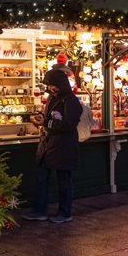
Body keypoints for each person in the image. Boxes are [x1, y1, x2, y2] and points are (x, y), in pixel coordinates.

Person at [23, 69, 83, 222]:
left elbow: (68, 124)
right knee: (41, 177)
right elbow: (50, 118)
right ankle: (39, 210)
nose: (49, 88)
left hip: (63, 146)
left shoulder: (71, 101)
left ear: (58, 84)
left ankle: (65, 212)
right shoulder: (51, 98)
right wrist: (42, 118)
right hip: (48, 144)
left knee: (64, 180)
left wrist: (45, 122)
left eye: (51, 85)